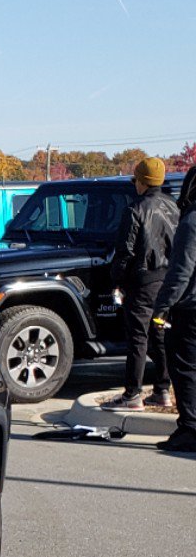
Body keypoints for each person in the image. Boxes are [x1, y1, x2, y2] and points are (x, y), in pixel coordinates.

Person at [102, 158, 180, 411]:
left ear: (143, 182)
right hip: (168, 282)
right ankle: (162, 390)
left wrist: (117, 281)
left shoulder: (134, 210)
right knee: (160, 335)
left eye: (135, 180)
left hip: (142, 283)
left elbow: (124, 252)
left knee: (137, 338)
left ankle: (132, 395)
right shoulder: (174, 207)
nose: (134, 184)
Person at [152, 170, 196, 453]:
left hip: (190, 308)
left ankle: (190, 429)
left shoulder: (191, 221)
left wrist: (162, 307)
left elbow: (181, 271)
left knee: (185, 368)